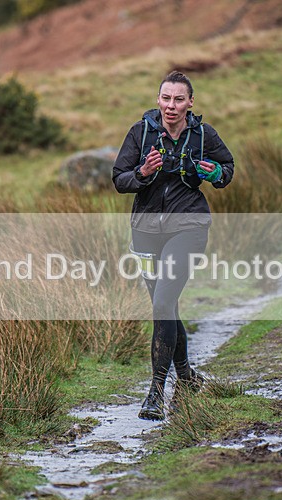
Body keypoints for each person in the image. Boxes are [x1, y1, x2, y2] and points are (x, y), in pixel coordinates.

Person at [112, 71, 234, 420]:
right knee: (165, 306)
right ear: (158, 100)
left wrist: (214, 175)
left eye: (179, 99)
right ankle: (187, 376)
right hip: (146, 232)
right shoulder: (141, 133)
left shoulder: (203, 134)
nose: (171, 105)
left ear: (190, 103)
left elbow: (228, 168)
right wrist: (143, 174)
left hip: (189, 227)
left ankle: (155, 393)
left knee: (164, 301)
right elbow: (119, 180)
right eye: (166, 98)